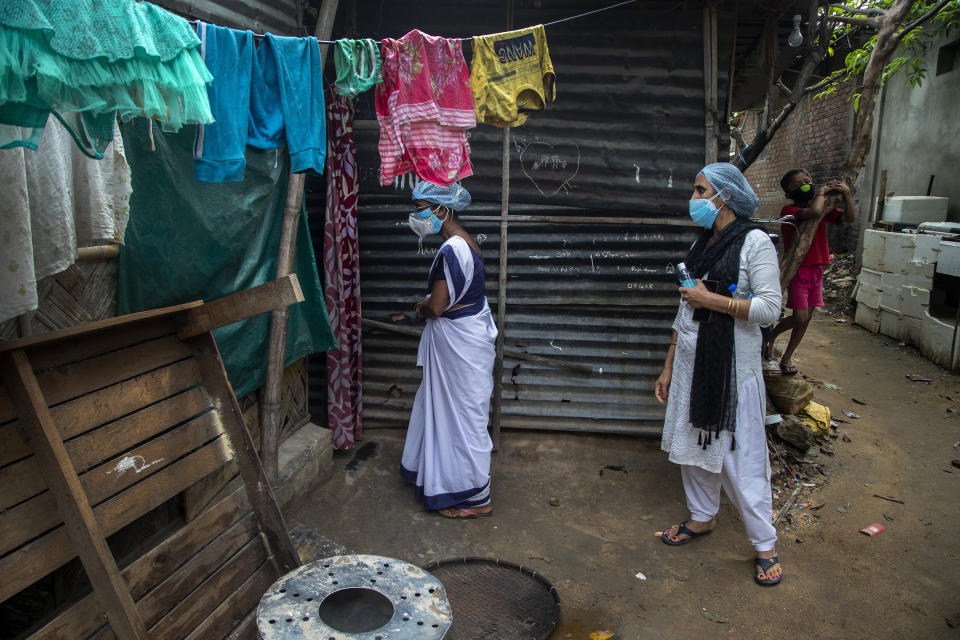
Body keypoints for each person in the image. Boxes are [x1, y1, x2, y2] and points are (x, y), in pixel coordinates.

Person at [654, 163, 785, 586]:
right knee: (693, 447)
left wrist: (714, 301)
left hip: (730, 369)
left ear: (723, 197)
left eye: (699, 190)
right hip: (693, 363)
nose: (693, 199)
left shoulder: (754, 242)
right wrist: (669, 365)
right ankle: (702, 517)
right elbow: (685, 307)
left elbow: (769, 309)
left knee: (741, 459)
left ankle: (765, 544)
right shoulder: (702, 244)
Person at [400, 181, 497, 519]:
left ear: (442, 210)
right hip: (468, 340)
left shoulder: (448, 252)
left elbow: (439, 307)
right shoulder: (467, 244)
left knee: (462, 419)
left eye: (422, 208)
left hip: (460, 342)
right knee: (458, 412)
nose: (417, 215)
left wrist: (421, 309)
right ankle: (436, 474)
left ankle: (474, 498)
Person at [765, 169, 855, 374]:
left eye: (807, 181)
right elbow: (814, 213)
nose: (804, 187)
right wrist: (822, 194)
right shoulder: (788, 209)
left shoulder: (824, 207)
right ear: (788, 193)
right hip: (797, 269)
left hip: (817, 268)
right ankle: (771, 337)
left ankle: (787, 358)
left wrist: (846, 194)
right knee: (800, 317)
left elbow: (849, 218)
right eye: (797, 186)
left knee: (807, 318)